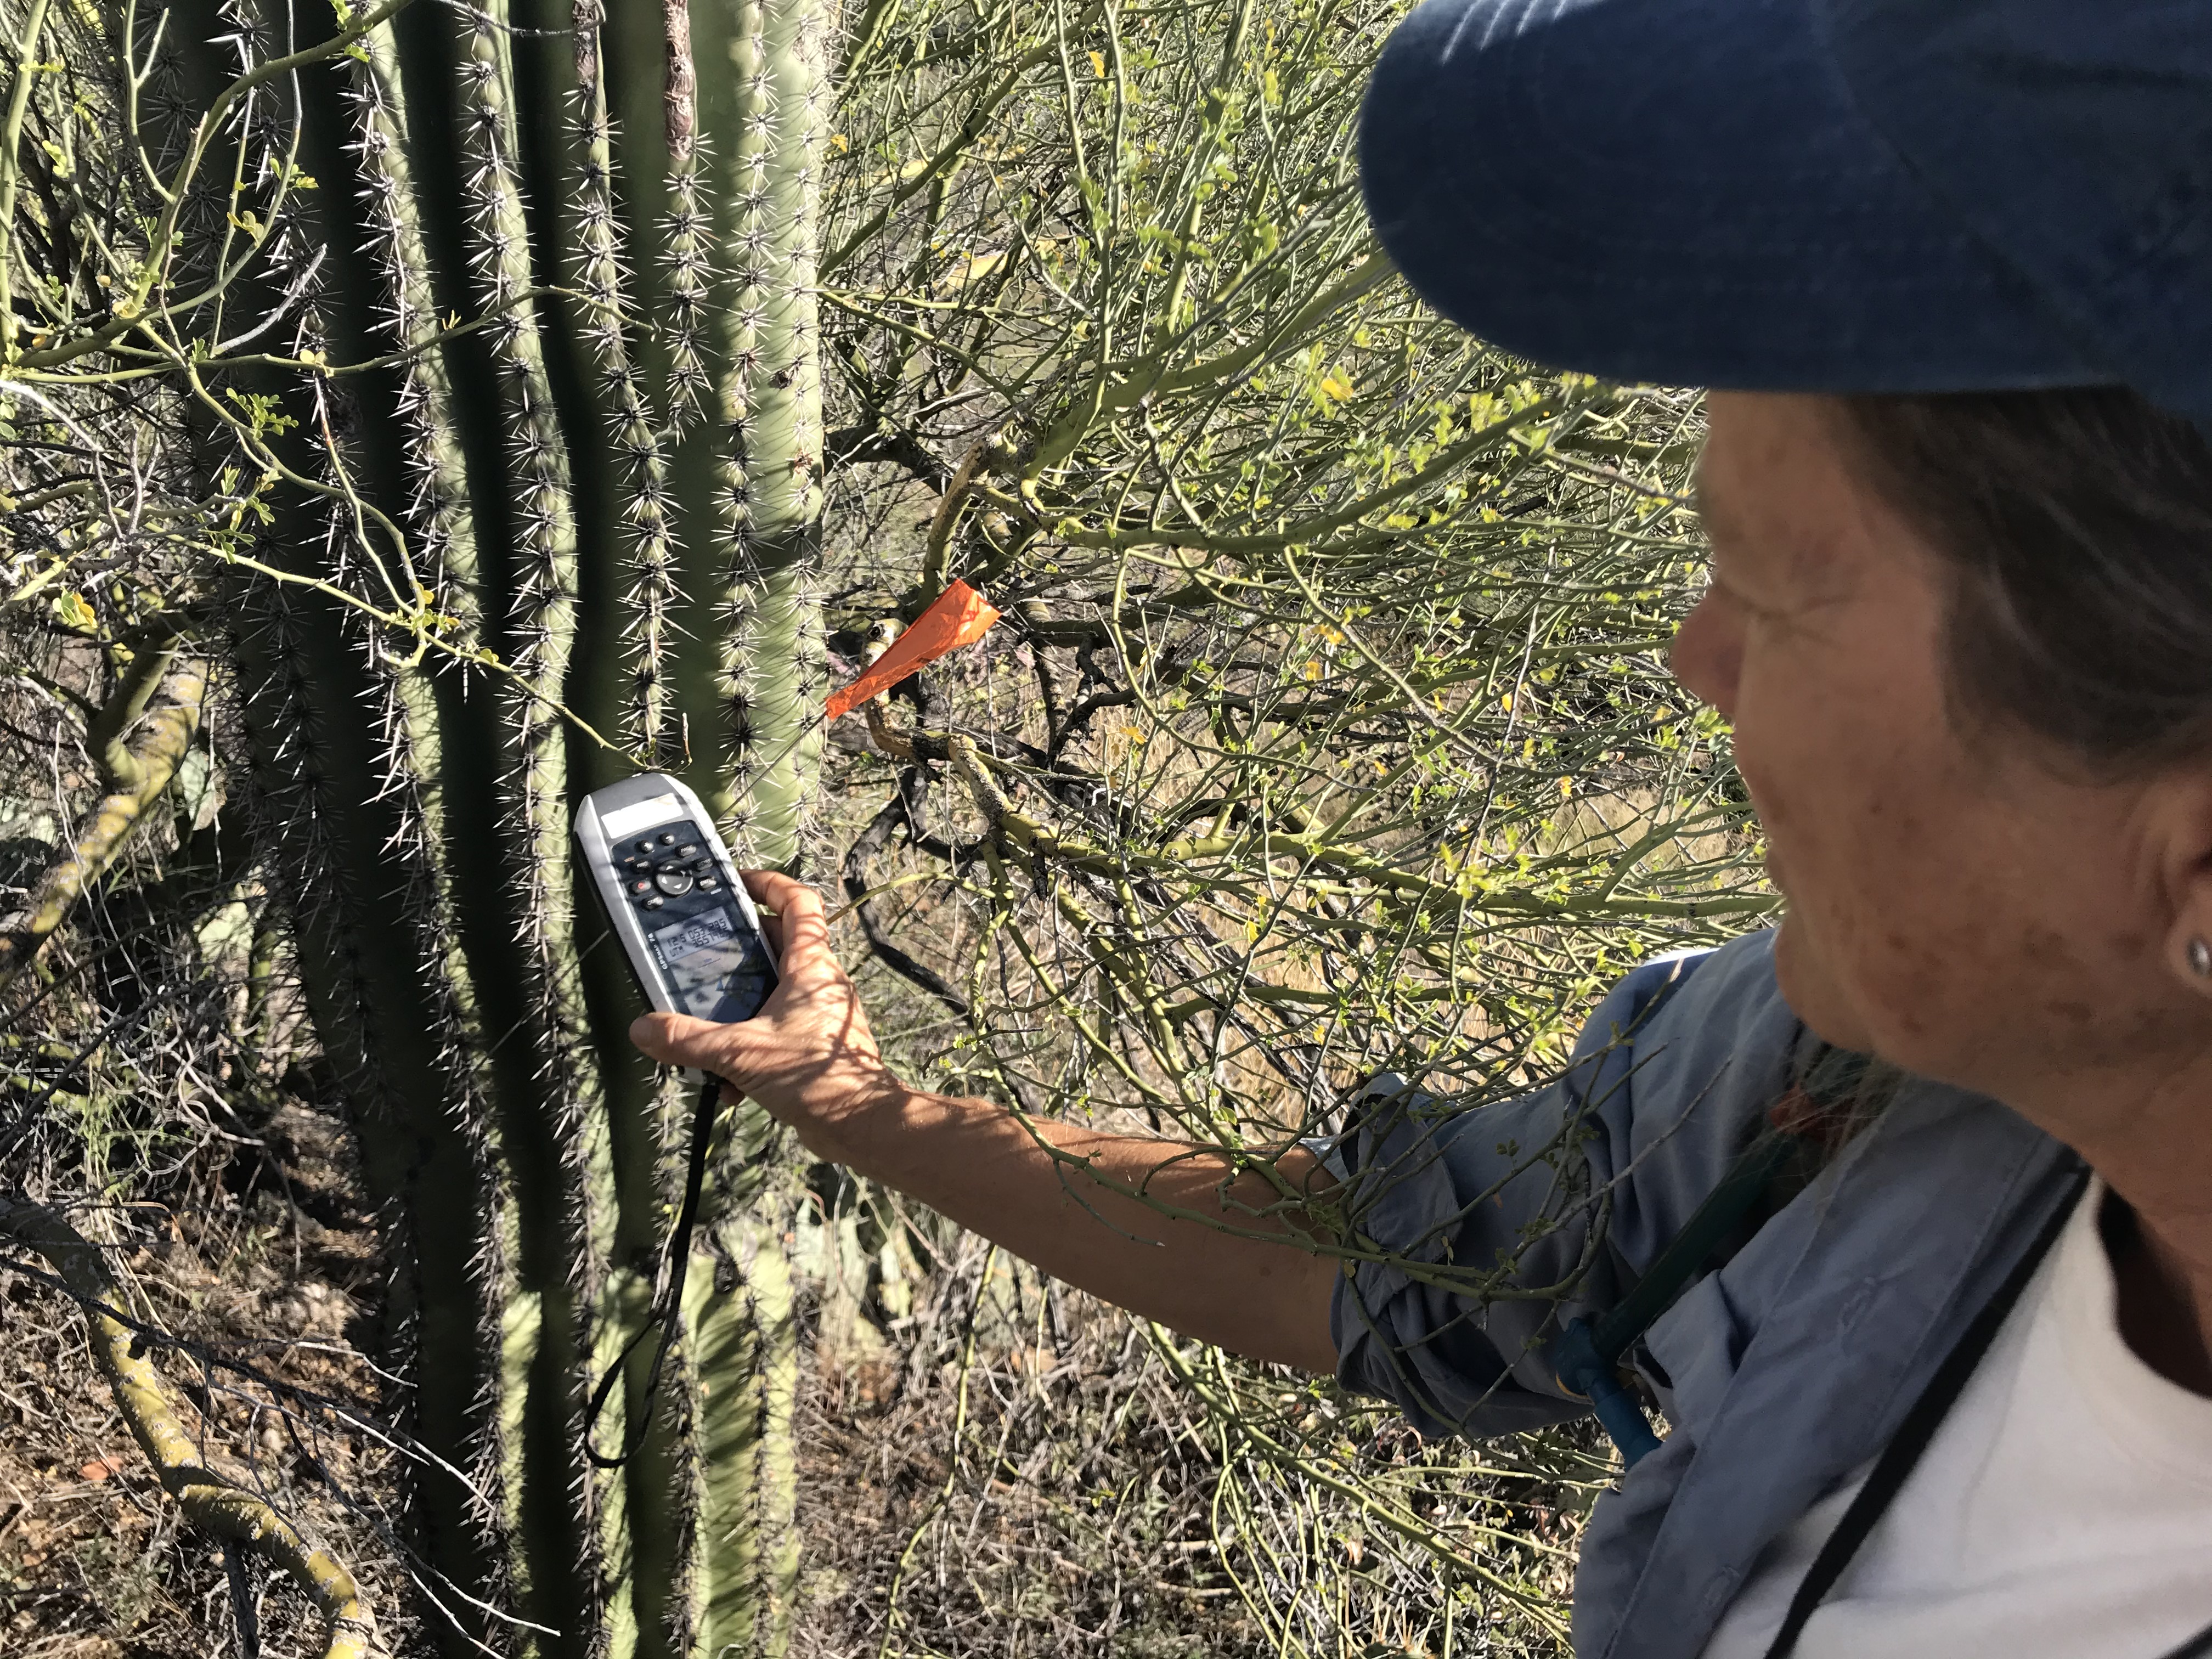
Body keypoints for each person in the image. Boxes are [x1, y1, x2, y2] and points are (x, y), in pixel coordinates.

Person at [633, 0, 2212, 1652]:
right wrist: (852, 1098)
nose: (1695, 665)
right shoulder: (1859, 1083)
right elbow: (1410, 1269)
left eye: (1775, 596)